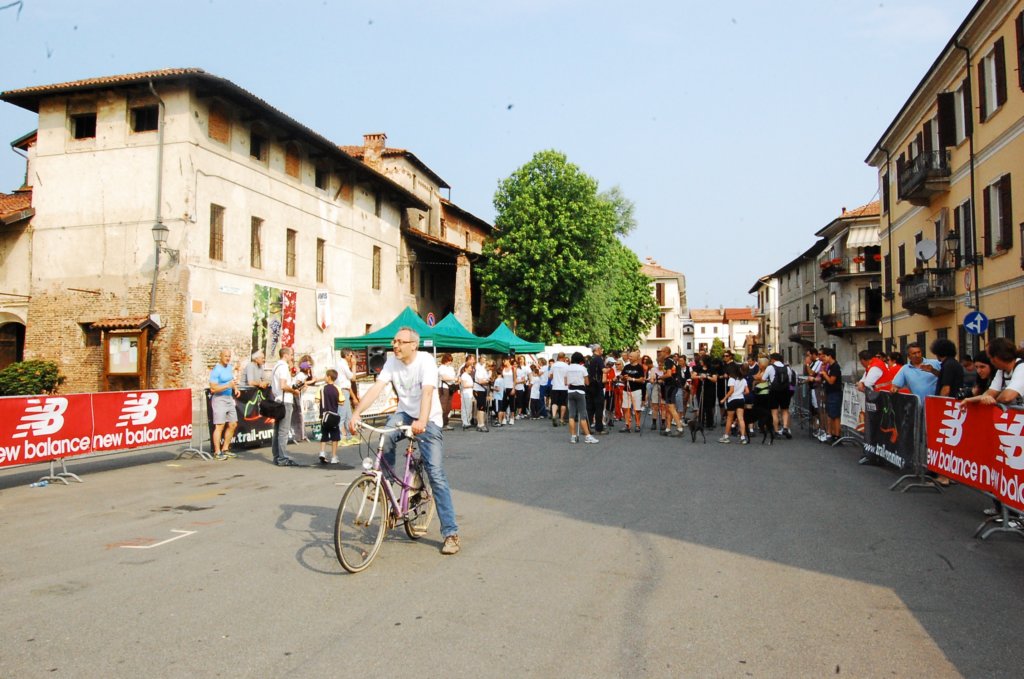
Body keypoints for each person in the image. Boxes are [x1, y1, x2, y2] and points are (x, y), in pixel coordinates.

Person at [349, 326, 461, 556]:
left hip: (427, 417)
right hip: (404, 414)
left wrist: (422, 420)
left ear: (413, 345)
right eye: (394, 341)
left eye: (400, 342)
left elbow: (428, 393)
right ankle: (386, 487)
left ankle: (450, 532)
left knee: (436, 474)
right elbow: (376, 389)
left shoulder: (426, 361)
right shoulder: (392, 362)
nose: (395, 345)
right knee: (385, 436)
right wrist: (356, 413)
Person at [963, 337, 1024, 405]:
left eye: (990, 358)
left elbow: (1007, 397)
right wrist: (968, 400)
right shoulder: (1001, 370)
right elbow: (991, 392)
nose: (991, 361)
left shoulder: (1021, 368)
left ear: (997, 357)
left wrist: (993, 400)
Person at [271, 347, 301, 466]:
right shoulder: (283, 367)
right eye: (291, 355)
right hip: (285, 401)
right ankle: (282, 458)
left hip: (278, 400)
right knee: (283, 431)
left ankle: (277, 456)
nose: (292, 357)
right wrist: (294, 391)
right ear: (286, 355)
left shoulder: (276, 367)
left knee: (277, 430)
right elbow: (283, 385)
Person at [209, 348, 240, 460]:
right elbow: (212, 389)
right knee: (220, 426)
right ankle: (217, 452)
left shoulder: (229, 368)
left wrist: (235, 389)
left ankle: (225, 449)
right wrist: (228, 386)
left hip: (228, 398)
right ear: (220, 356)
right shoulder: (216, 370)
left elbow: (231, 380)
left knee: (233, 424)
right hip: (219, 399)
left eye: (229, 356)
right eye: (225, 356)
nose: (227, 358)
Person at [566, 351, 599, 444]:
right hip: (580, 392)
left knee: (571, 415)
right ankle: (587, 436)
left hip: (570, 391)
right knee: (583, 415)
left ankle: (573, 436)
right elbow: (587, 382)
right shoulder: (582, 368)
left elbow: (566, 382)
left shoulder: (567, 368)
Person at [762, 352, 794, 438]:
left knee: (774, 412)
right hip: (785, 391)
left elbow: (763, 378)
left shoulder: (770, 367)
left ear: (773, 359)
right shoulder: (787, 368)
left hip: (774, 391)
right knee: (785, 410)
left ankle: (776, 431)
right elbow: (790, 380)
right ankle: (785, 428)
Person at [718, 362, 749, 444]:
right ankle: (743, 437)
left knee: (729, 419)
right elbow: (747, 391)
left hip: (732, 400)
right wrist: (741, 393)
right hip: (741, 400)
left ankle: (726, 436)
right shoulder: (743, 380)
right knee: (741, 418)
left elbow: (731, 391)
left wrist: (724, 399)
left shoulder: (731, 379)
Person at [335, 349, 361, 446]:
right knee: (342, 415)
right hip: (343, 390)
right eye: (351, 356)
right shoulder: (343, 364)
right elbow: (353, 377)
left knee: (349, 416)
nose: (352, 358)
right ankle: (340, 437)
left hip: (344, 390)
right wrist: (354, 365)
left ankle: (350, 436)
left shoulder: (340, 364)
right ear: (346, 355)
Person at [820, 347, 843, 444]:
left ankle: (837, 435)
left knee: (835, 415)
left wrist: (824, 374)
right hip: (830, 393)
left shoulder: (835, 367)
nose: (823, 358)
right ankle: (833, 434)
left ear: (830, 356)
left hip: (835, 393)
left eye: (824, 356)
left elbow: (831, 381)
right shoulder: (829, 366)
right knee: (831, 414)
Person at [318, 369, 341, 464]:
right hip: (333, 415)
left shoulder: (322, 388)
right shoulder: (337, 388)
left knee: (324, 434)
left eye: (325, 376)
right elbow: (341, 401)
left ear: (329, 377)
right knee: (335, 437)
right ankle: (334, 457)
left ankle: (322, 452)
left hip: (324, 415)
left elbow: (317, 399)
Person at [619, 350, 645, 433]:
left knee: (637, 409)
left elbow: (642, 379)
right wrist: (623, 377)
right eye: (629, 356)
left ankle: (637, 425)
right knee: (626, 408)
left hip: (636, 390)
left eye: (631, 356)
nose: (629, 358)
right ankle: (627, 425)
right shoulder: (626, 367)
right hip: (626, 390)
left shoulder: (640, 367)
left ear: (636, 358)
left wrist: (632, 379)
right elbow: (622, 377)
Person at [586, 344, 607, 434]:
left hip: (589, 385)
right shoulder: (599, 358)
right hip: (597, 385)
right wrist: (609, 368)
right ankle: (599, 428)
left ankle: (587, 427)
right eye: (601, 349)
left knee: (590, 408)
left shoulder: (589, 359)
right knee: (599, 408)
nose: (602, 350)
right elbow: (604, 370)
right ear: (598, 349)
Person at [437, 353, 457, 431]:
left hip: (450, 388)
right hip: (443, 388)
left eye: (451, 361)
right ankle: (440, 424)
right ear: (445, 360)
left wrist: (455, 380)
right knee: (443, 407)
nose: (450, 362)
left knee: (448, 407)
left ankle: (445, 423)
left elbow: (452, 377)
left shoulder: (450, 368)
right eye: (449, 360)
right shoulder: (441, 368)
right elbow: (444, 377)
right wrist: (454, 379)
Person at [549, 352, 569, 426]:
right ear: (563, 357)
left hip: (555, 386)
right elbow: (567, 377)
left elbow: (550, 376)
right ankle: (561, 419)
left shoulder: (553, 365)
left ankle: (554, 415)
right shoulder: (566, 366)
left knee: (554, 402)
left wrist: (554, 377)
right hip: (564, 387)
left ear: (558, 357)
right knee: (563, 403)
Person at [473, 355, 491, 432]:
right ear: (480, 359)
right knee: (481, 408)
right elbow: (480, 381)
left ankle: (479, 424)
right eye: (483, 359)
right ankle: (481, 424)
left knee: (481, 408)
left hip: (482, 390)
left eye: (485, 359)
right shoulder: (479, 368)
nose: (484, 360)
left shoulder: (483, 368)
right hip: (478, 389)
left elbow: (485, 378)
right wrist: (488, 381)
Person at [459, 355, 477, 430]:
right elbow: (464, 385)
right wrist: (472, 385)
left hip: (469, 394)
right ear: (466, 368)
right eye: (470, 368)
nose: (471, 369)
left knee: (469, 408)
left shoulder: (469, 376)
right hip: (465, 394)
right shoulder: (464, 375)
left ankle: (468, 421)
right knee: (465, 409)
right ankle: (465, 422)